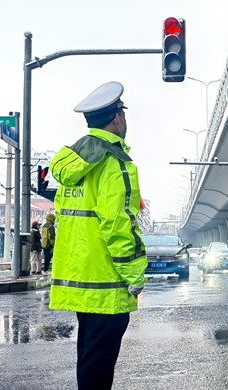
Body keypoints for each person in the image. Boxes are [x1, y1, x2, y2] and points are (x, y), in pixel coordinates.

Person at [48, 81, 147, 389]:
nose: (125, 120)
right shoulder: (115, 164)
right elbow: (118, 224)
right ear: (116, 118)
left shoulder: (74, 165)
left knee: (90, 359)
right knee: (99, 364)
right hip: (107, 281)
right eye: (123, 113)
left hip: (80, 279)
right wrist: (135, 273)